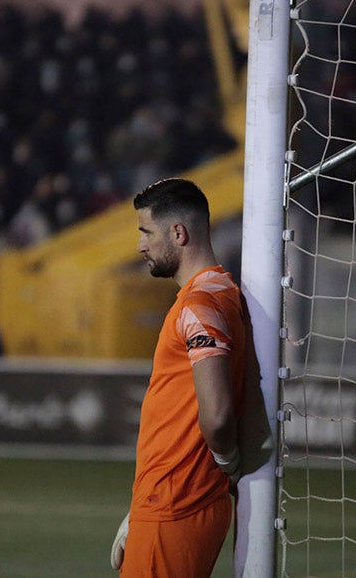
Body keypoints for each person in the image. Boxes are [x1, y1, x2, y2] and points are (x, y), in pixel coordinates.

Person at [111, 178, 248, 577]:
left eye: (145, 232)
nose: (140, 245)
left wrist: (228, 463)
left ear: (178, 233)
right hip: (172, 500)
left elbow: (217, 414)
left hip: (175, 503)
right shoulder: (225, 294)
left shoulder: (200, 306)